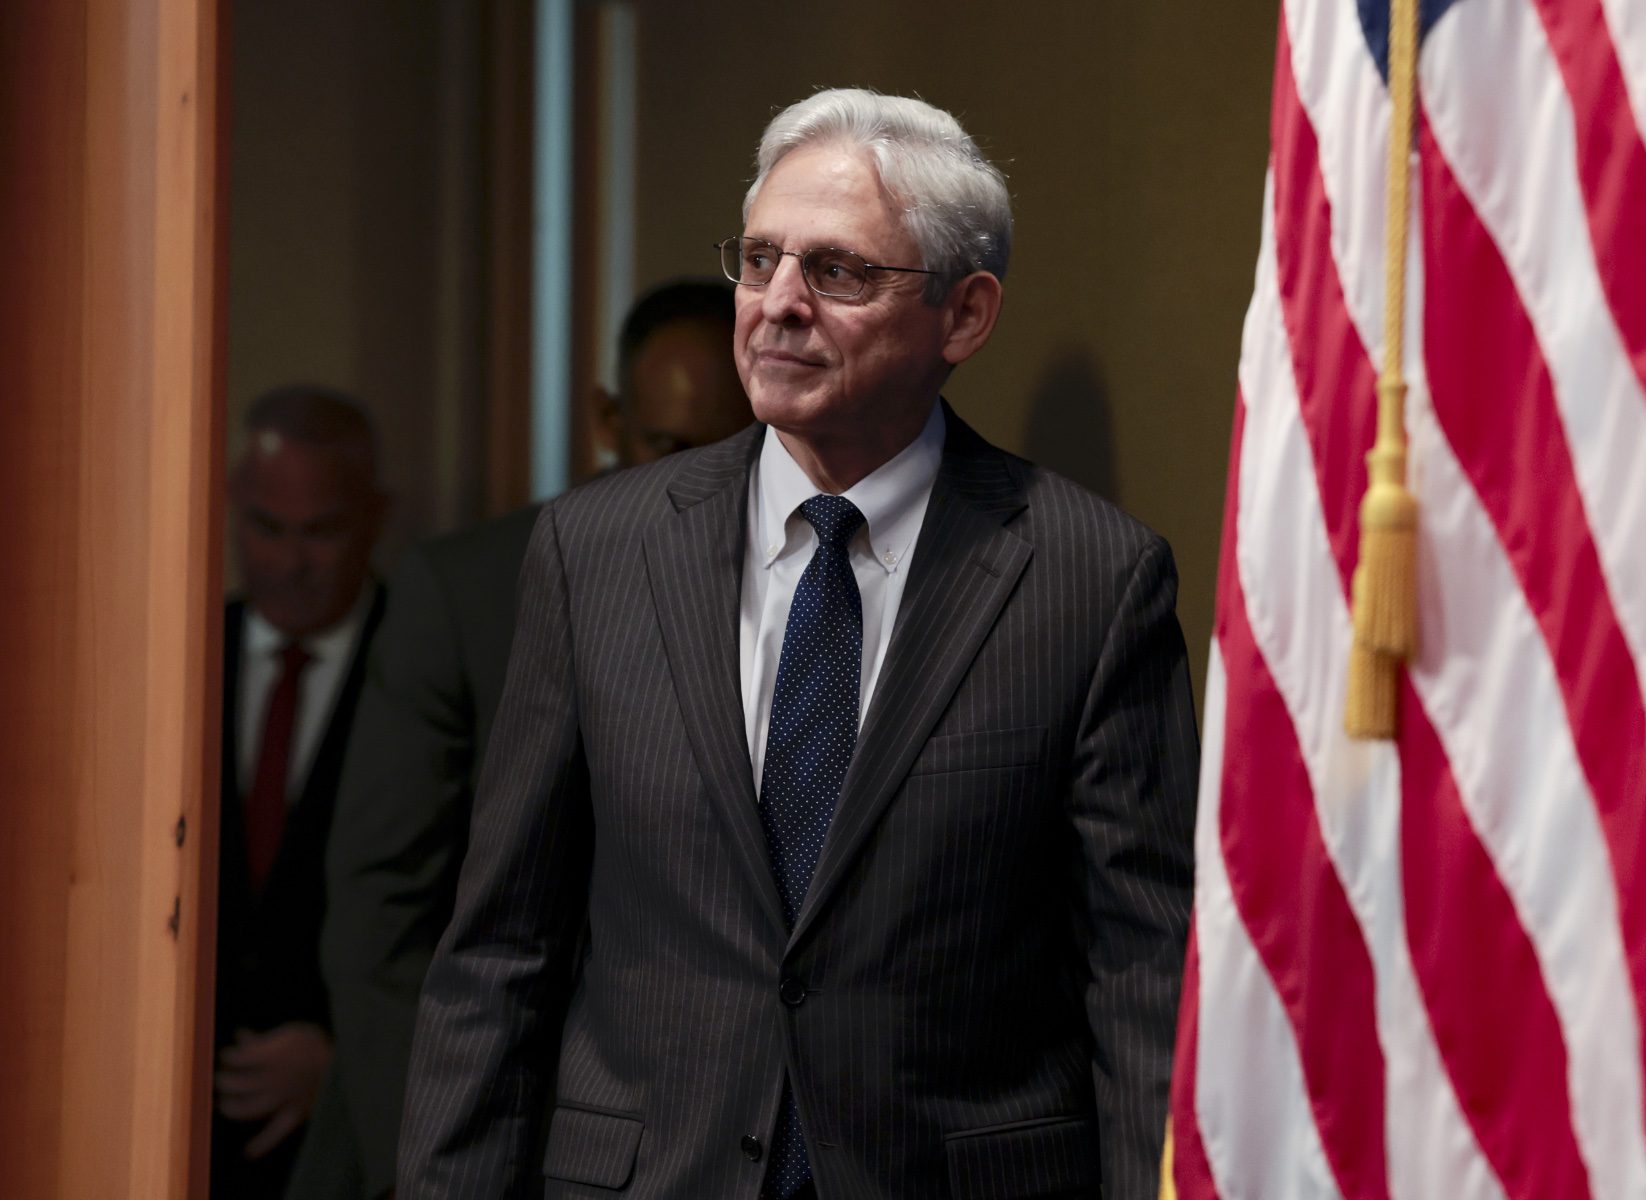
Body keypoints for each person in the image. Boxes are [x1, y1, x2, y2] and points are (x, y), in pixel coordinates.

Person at [398, 88, 1197, 1199]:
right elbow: (500, 955)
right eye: (760, 258)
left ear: (964, 316)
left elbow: (1138, 975)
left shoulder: (1089, 577)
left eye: (838, 272)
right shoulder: (597, 551)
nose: (776, 306)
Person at [289, 280, 754, 1200]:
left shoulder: (805, 601)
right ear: (609, 420)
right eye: (665, 444)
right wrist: (447, 1160)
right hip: (470, 1130)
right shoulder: (468, 594)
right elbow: (380, 913)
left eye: (727, 451)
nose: (692, 482)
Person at [214, 386, 388, 1197]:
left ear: (374, 518)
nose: (290, 561)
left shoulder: (424, 663)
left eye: (320, 531)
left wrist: (353, 1056)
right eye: (266, 528)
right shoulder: (181, 652)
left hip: (347, 1146)